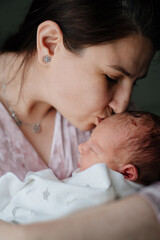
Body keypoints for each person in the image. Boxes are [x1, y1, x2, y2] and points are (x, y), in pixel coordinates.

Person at [0, 0, 160, 239]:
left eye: (133, 83)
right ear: (50, 44)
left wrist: (27, 235)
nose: (123, 105)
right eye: (111, 77)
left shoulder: (116, 126)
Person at [0, 110, 159, 224]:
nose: (81, 147)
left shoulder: (108, 190)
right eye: (89, 139)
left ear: (128, 173)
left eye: (94, 149)